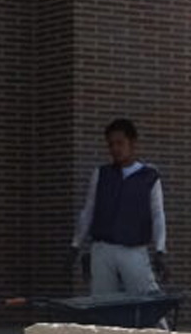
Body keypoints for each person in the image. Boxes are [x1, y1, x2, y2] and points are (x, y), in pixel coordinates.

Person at [72, 118, 168, 296]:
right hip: (102, 249)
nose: (115, 149)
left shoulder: (149, 176)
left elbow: (157, 214)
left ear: (132, 143)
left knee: (145, 299)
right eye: (111, 144)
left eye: (120, 143)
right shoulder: (101, 174)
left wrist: (160, 249)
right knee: (102, 302)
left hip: (133, 249)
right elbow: (88, 210)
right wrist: (76, 244)